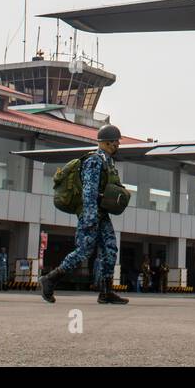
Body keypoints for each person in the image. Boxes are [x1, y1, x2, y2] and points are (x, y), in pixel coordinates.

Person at [39, 124, 128, 305]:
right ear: (108, 142)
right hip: (91, 213)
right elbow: (89, 191)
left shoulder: (108, 162)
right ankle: (50, 279)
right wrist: (89, 217)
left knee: (110, 250)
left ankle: (105, 292)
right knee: (83, 251)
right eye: (116, 141)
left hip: (102, 214)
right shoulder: (94, 160)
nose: (118, 144)